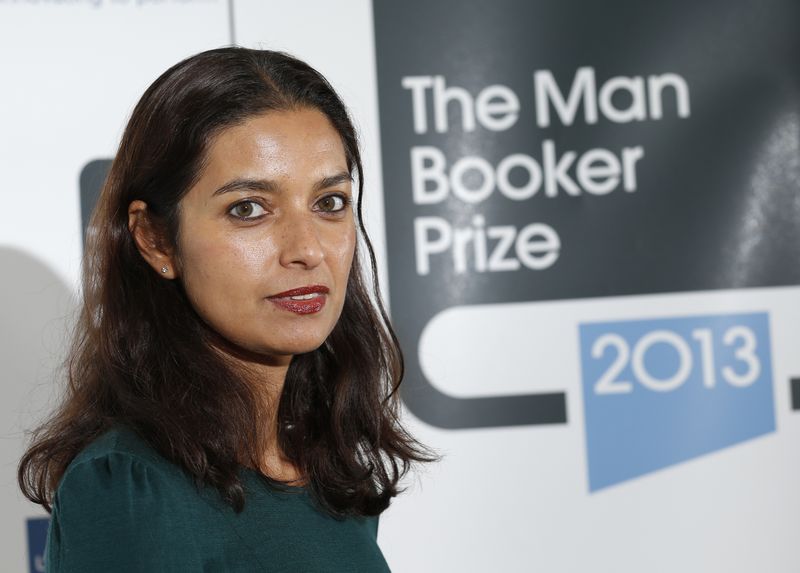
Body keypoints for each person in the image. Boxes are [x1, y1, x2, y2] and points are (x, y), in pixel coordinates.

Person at [18, 46, 437, 572]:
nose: (307, 249)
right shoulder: (131, 486)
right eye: (249, 209)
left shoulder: (324, 470)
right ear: (155, 239)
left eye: (329, 202)